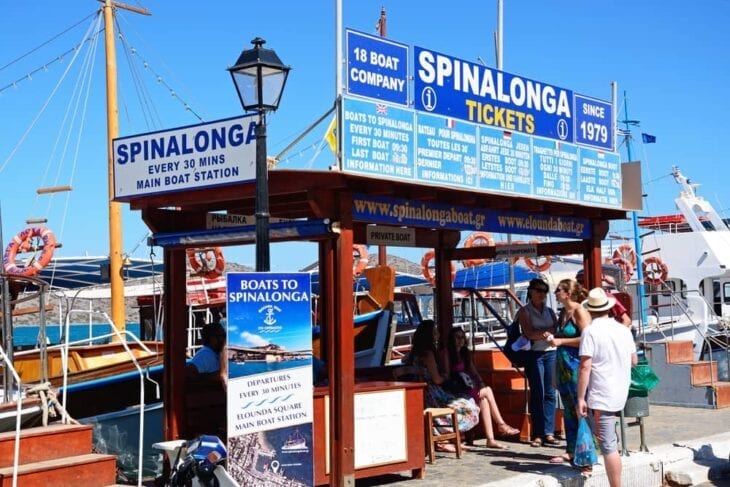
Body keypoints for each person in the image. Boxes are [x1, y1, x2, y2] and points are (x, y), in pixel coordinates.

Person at [577, 288, 638, 487]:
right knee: (609, 438)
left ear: (590, 310)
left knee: (608, 445)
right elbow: (634, 361)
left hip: (602, 392)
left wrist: (580, 397)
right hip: (620, 389)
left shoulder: (590, 331)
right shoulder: (623, 329)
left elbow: (585, 366)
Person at [405, 319, 480, 452]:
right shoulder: (428, 354)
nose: (437, 335)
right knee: (469, 406)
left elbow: (404, 361)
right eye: (435, 333)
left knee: (463, 401)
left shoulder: (414, 353)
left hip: (422, 392)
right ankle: (444, 438)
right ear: (430, 335)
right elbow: (437, 379)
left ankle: (448, 438)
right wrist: (445, 376)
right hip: (432, 393)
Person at [442, 327, 520, 449]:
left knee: (484, 400)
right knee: (487, 391)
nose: (460, 341)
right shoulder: (447, 353)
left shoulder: (464, 354)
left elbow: (474, 372)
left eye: (462, 337)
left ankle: (491, 439)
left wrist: (480, 383)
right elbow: (447, 374)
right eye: (457, 337)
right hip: (457, 389)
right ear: (451, 339)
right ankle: (501, 424)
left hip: (467, 386)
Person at [547, 279, 594, 465]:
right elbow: (562, 336)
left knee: (578, 408)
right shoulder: (563, 313)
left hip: (575, 365)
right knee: (567, 409)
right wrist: (553, 338)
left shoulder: (579, 311)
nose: (555, 293)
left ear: (567, 293)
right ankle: (571, 449)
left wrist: (561, 342)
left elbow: (587, 338)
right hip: (563, 366)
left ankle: (586, 450)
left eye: (558, 290)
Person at [517, 278, 559, 448]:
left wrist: (542, 333)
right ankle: (537, 433)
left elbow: (557, 330)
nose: (541, 293)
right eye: (538, 290)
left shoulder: (550, 311)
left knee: (550, 393)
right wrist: (545, 333)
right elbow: (529, 333)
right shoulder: (524, 311)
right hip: (534, 354)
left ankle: (548, 432)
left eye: (544, 291)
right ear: (531, 291)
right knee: (537, 393)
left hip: (551, 353)